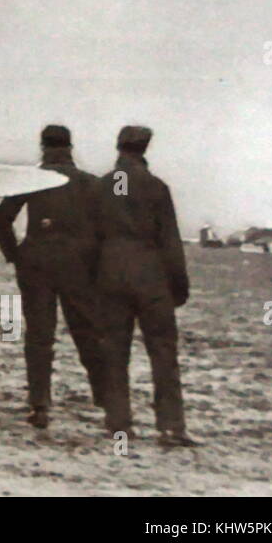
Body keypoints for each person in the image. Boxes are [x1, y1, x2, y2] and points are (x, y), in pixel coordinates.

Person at [0, 124, 108, 429]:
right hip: (79, 268)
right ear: (70, 147)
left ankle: (40, 405)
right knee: (87, 333)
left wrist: (15, 255)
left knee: (40, 336)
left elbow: (1, 219)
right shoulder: (91, 183)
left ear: (43, 146)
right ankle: (106, 398)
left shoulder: (31, 180)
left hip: (36, 265)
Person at [96, 126, 198, 446]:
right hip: (151, 279)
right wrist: (178, 286)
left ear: (118, 146)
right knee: (163, 352)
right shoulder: (156, 188)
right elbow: (170, 242)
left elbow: (88, 239)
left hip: (110, 277)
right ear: (145, 149)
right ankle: (170, 425)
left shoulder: (100, 187)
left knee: (113, 351)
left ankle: (119, 424)